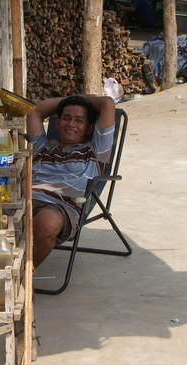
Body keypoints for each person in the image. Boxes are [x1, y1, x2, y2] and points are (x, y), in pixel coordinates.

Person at [26, 95, 116, 268]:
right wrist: (70, 101)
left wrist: (78, 100)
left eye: (79, 120)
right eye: (66, 118)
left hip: (60, 208)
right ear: (58, 123)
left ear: (89, 128)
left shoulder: (95, 152)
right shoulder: (42, 147)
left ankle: (26, 274)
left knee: (47, 221)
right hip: (25, 201)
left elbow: (107, 103)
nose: (71, 124)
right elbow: (35, 111)